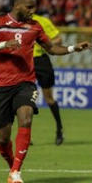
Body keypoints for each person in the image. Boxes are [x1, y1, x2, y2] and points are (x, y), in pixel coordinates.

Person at [0, 0, 92, 183]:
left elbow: (52, 49)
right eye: (29, 7)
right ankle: (11, 166)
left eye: (35, 7)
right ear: (17, 5)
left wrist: (74, 48)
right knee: (2, 135)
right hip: (1, 86)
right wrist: (4, 44)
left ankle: (16, 171)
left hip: (26, 82)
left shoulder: (35, 26)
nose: (33, 11)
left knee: (26, 116)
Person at [32, 14, 65, 145]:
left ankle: (59, 130)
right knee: (25, 99)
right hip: (24, 61)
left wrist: (43, 43)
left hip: (41, 61)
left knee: (49, 98)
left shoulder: (42, 21)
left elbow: (58, 39)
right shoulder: (16, 22)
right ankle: (25, 135)